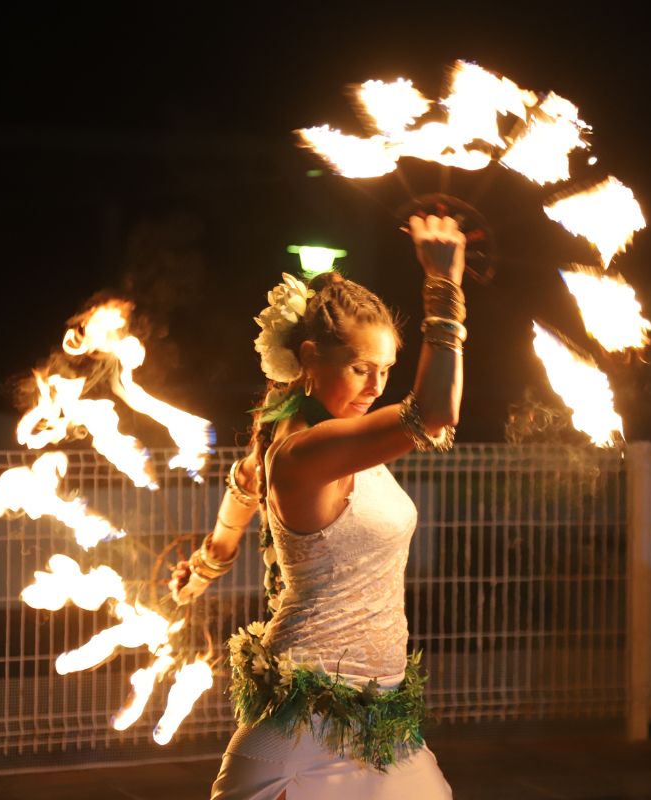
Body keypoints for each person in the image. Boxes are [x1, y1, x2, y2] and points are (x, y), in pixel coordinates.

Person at [170, 214, 466, 800]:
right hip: (302, 726)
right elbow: (434, 413)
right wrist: (444, 288)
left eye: (385, 371)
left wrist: (205, 566)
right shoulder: (307, 453)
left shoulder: (312, 442)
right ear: (309, 357)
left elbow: (240, 493)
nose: (376, 386)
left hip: (385, 720)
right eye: (361, 368)